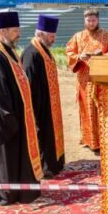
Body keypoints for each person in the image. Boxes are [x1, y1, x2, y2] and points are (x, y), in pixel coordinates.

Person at [0, 9, 43, 205]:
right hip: (5, 117)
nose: (19, 33)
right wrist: (8, 117)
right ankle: (7, 194)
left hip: (19, 114)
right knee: (6, 156)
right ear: (3, 30)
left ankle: (22, 192)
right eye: (15, 30)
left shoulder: (9, 51)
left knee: (18, 156)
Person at [65, 9, 108, 152]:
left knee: (105, 110)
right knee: (87, 109)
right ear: (84, 21)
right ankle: (90, 140)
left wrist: (102, 55)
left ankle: (105, 139)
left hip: (103, 80)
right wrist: (79, 57)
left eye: (93, 20)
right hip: (84, 80)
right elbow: (69, 52)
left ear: (98, 20)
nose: (91, 23)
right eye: (88, 21)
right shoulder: (77, 37)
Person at [22, 15, 65, 178]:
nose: (53, 40)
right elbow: (30, 84)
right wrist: (36, 108)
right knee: (42, 135)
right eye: (51, 36)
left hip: (50, 103)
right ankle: (44, 166)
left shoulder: (44, 50)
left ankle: (54, 163)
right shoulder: (31, 54)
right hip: (40, 106)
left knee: (50, 134)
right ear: (40, 34)